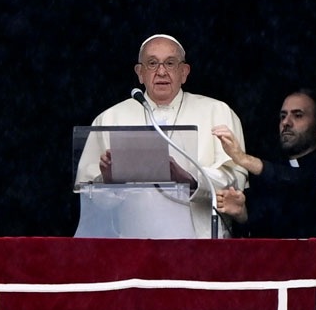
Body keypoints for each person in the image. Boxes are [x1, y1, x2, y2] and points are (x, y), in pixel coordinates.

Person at [75, 34, 247, 238]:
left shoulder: (217, 112)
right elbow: (89, 199)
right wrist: (109, 182)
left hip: (201, 244)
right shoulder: (110, 118)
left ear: (184, 72)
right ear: (140, 73)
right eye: (152, 63)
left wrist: (191, 179)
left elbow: (234, 183)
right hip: (132, 243)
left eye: (170, 63)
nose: (162, 71)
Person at [213, 88, 316, 238]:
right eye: (283, 116)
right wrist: (242, 211)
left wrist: (242, 158)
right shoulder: (271, 164)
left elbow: (301, 183)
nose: (286, 122)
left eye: (298, 115)